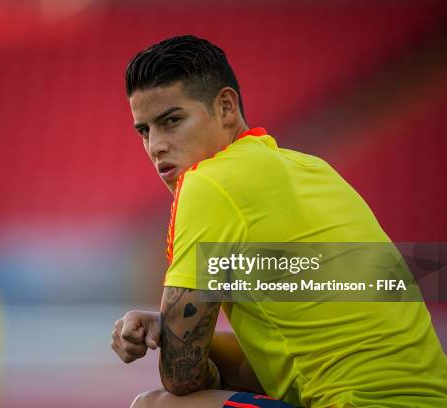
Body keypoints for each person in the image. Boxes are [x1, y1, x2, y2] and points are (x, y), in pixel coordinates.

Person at [110, 35, 447, 408]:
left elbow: (180, 377)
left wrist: (179, 341)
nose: (156, 145)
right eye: (144, 130)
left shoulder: (209, 182)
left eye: (171, 120)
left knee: (156, 406)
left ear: (225, 107)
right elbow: (288, 363)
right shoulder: (314, 169)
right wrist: (171, 327)